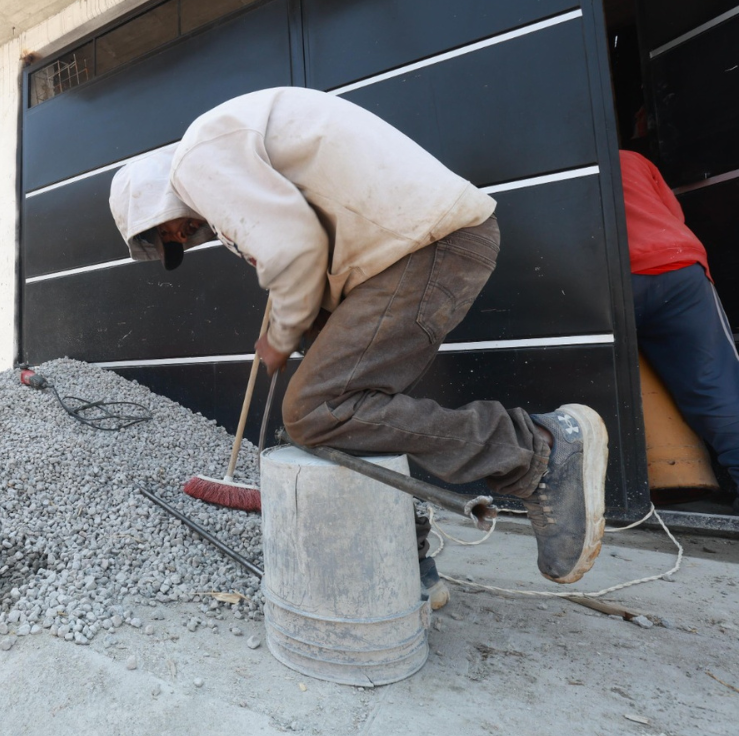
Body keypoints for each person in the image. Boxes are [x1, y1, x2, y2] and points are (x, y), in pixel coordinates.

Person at [109, 87, 608, 587]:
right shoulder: (224, 157)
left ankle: (536, 453)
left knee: (314, 411)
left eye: (167, 232)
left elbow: (294, 248)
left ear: (155, 201)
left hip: (422, 247)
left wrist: (281, 334)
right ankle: (404, 556)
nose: (180, 238)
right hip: (401, 253)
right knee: (352, 415)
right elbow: (302, 237)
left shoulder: (196, 159)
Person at [620, 149, 739, 513]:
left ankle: (616, 495)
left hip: (608, 277)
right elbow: (674, 215)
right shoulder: (632, 159)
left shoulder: (552, 160)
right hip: (677, 268)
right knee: (715, 385)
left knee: (599, 383)